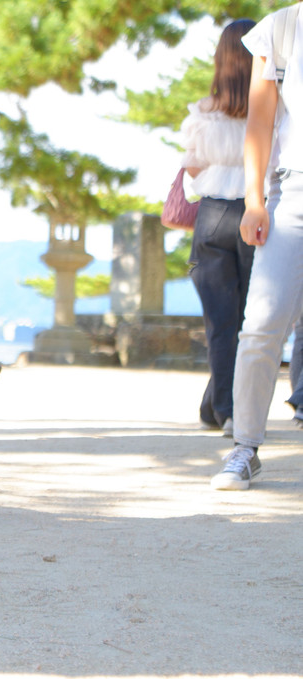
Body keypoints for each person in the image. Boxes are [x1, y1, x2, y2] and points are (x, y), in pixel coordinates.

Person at [211, 9, 303, 490]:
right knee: (262, 324)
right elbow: (259, 123)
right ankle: (245, 447)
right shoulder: (283, 26)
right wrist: (254, 200)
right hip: (295, 195)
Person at [178, 19, 257, 437]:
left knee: (220, 322)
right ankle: (228, 408)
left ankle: (219, 407)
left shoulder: (202, 113)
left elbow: (191, 165)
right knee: (249, 321)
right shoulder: (274, 109)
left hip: (212, 216)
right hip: (256, 213)